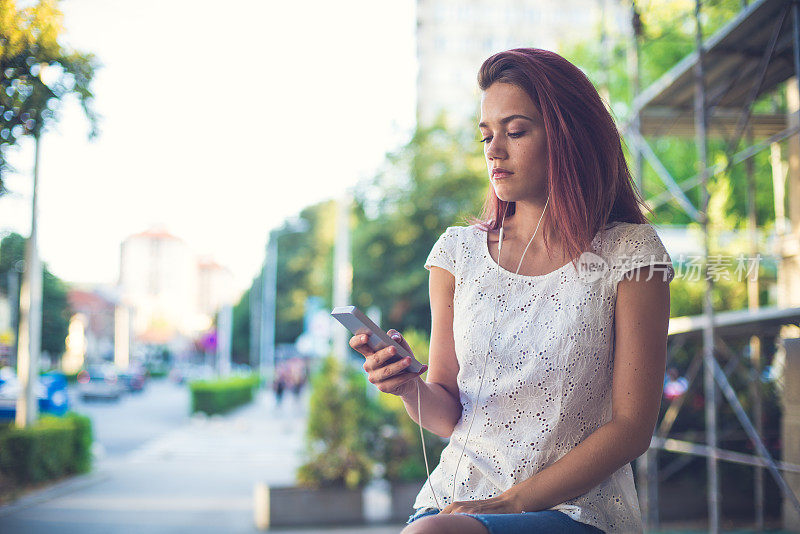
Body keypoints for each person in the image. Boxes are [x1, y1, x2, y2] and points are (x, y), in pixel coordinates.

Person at [350, 48, 673, 534]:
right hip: (454, 499)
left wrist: (511, 502)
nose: (493, 150)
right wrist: (407, 385)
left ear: (568, 135)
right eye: (486, 135)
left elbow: (632, 429)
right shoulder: (456, 253)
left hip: (575, 509)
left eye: (515, 131)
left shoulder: (631, 252)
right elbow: (446, 413)